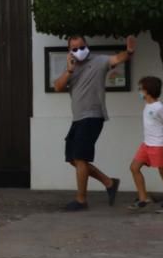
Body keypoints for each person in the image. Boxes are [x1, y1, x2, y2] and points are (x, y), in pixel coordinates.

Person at [52, 35, 136, 210]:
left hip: (92, 116)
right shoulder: (71, 68)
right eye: (74, 49)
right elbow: (58, 87)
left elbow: (118, 58)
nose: (79, 51)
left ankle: (81, 200)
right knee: (73, 159)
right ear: (69, 51)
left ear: (86, 46)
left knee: (80, 158)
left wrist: (128, 51)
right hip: (77, 118)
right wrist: (68, 70)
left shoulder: (99, 61)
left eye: (81, 47)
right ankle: (109, 182)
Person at [127, 76, 163, 213]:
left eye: (140, 88)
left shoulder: (159, 107)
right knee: (134, 167)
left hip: (159, 145)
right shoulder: (148, 105)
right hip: (146, 145)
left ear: (147, 91)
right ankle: (143, 199)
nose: (139, 91)